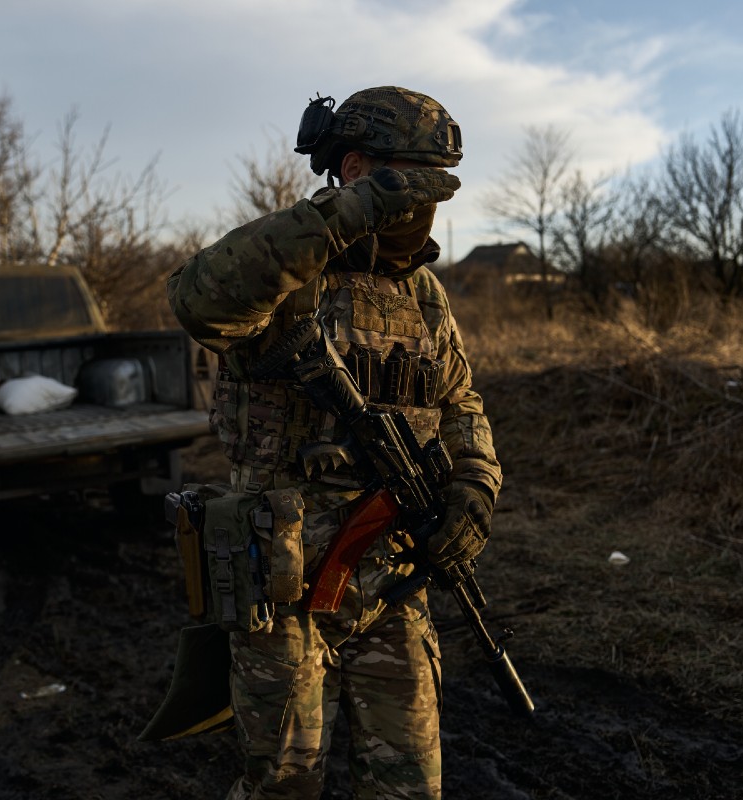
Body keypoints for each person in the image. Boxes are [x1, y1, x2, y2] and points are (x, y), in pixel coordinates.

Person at [166, 86, 501, 800]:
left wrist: (475, 485)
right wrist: (344, 218)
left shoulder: (424, 296)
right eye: (413, 188)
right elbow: (197, 300)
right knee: (285, 782)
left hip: (391, 577)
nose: (426, 212)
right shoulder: (288, 270)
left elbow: (459, 398)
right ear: (355, 170)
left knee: (409, 782)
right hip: (281, 582)